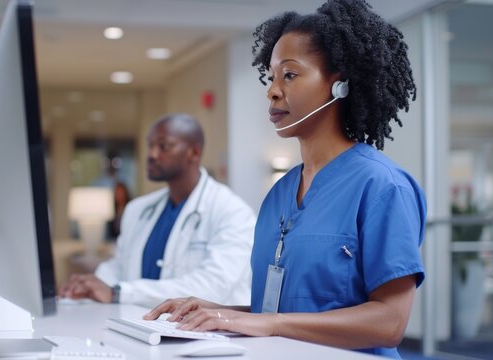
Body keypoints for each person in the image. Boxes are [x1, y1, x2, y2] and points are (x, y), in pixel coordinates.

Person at [144, 1, 425, 358]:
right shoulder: (279, 194)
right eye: (272, 76)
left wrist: (269, 324)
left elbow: (389, 323)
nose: (273, 91)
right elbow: (275, 316)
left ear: (338, 86)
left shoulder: (383, 187)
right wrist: (217, 313)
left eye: (289, 75)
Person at [59, 113, 256, 308]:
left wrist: (119, 293)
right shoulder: (138, 209)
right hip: (139, 328)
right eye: (150, 145)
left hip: (209, 336)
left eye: (163, 146)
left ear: (194, 153)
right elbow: (119, 268)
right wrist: (88, 287)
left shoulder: (232, 212)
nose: (152, 154)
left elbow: (211, 288)